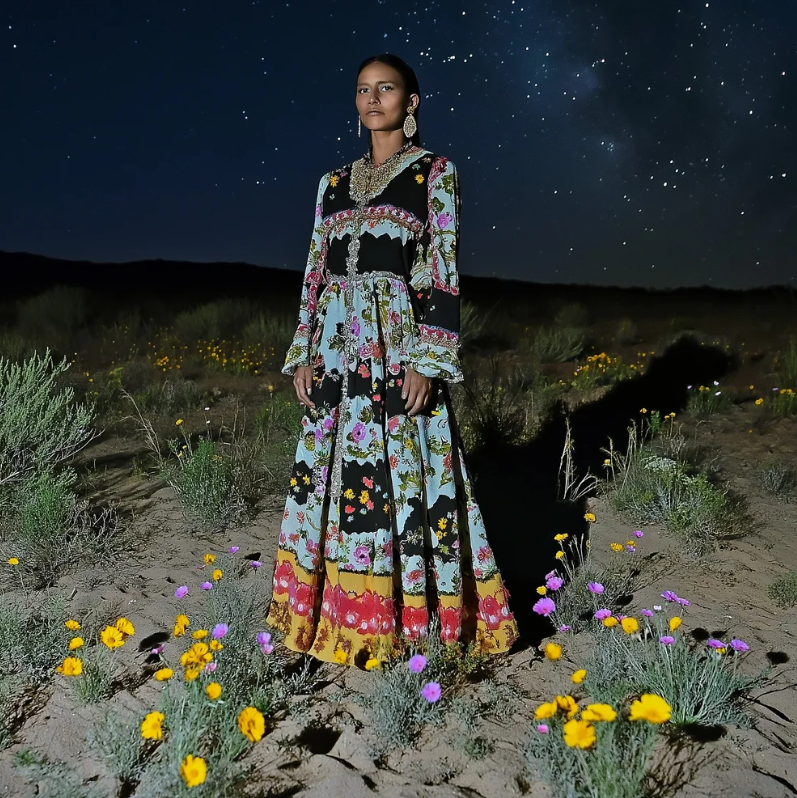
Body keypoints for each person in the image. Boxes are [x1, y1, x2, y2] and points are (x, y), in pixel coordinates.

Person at [265, 53, 518, 667]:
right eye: (362, 90)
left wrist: (428, 360)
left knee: (403, 480)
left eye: (387, 88)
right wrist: (302, 351)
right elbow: (313, 275)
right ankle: (326, 619)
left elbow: (441, 268)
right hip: (333, 352)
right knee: (329, 485)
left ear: (412, 103)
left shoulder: (435, 173)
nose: (372, 99)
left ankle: (409, 622)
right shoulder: (330, 184)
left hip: (395, 351)